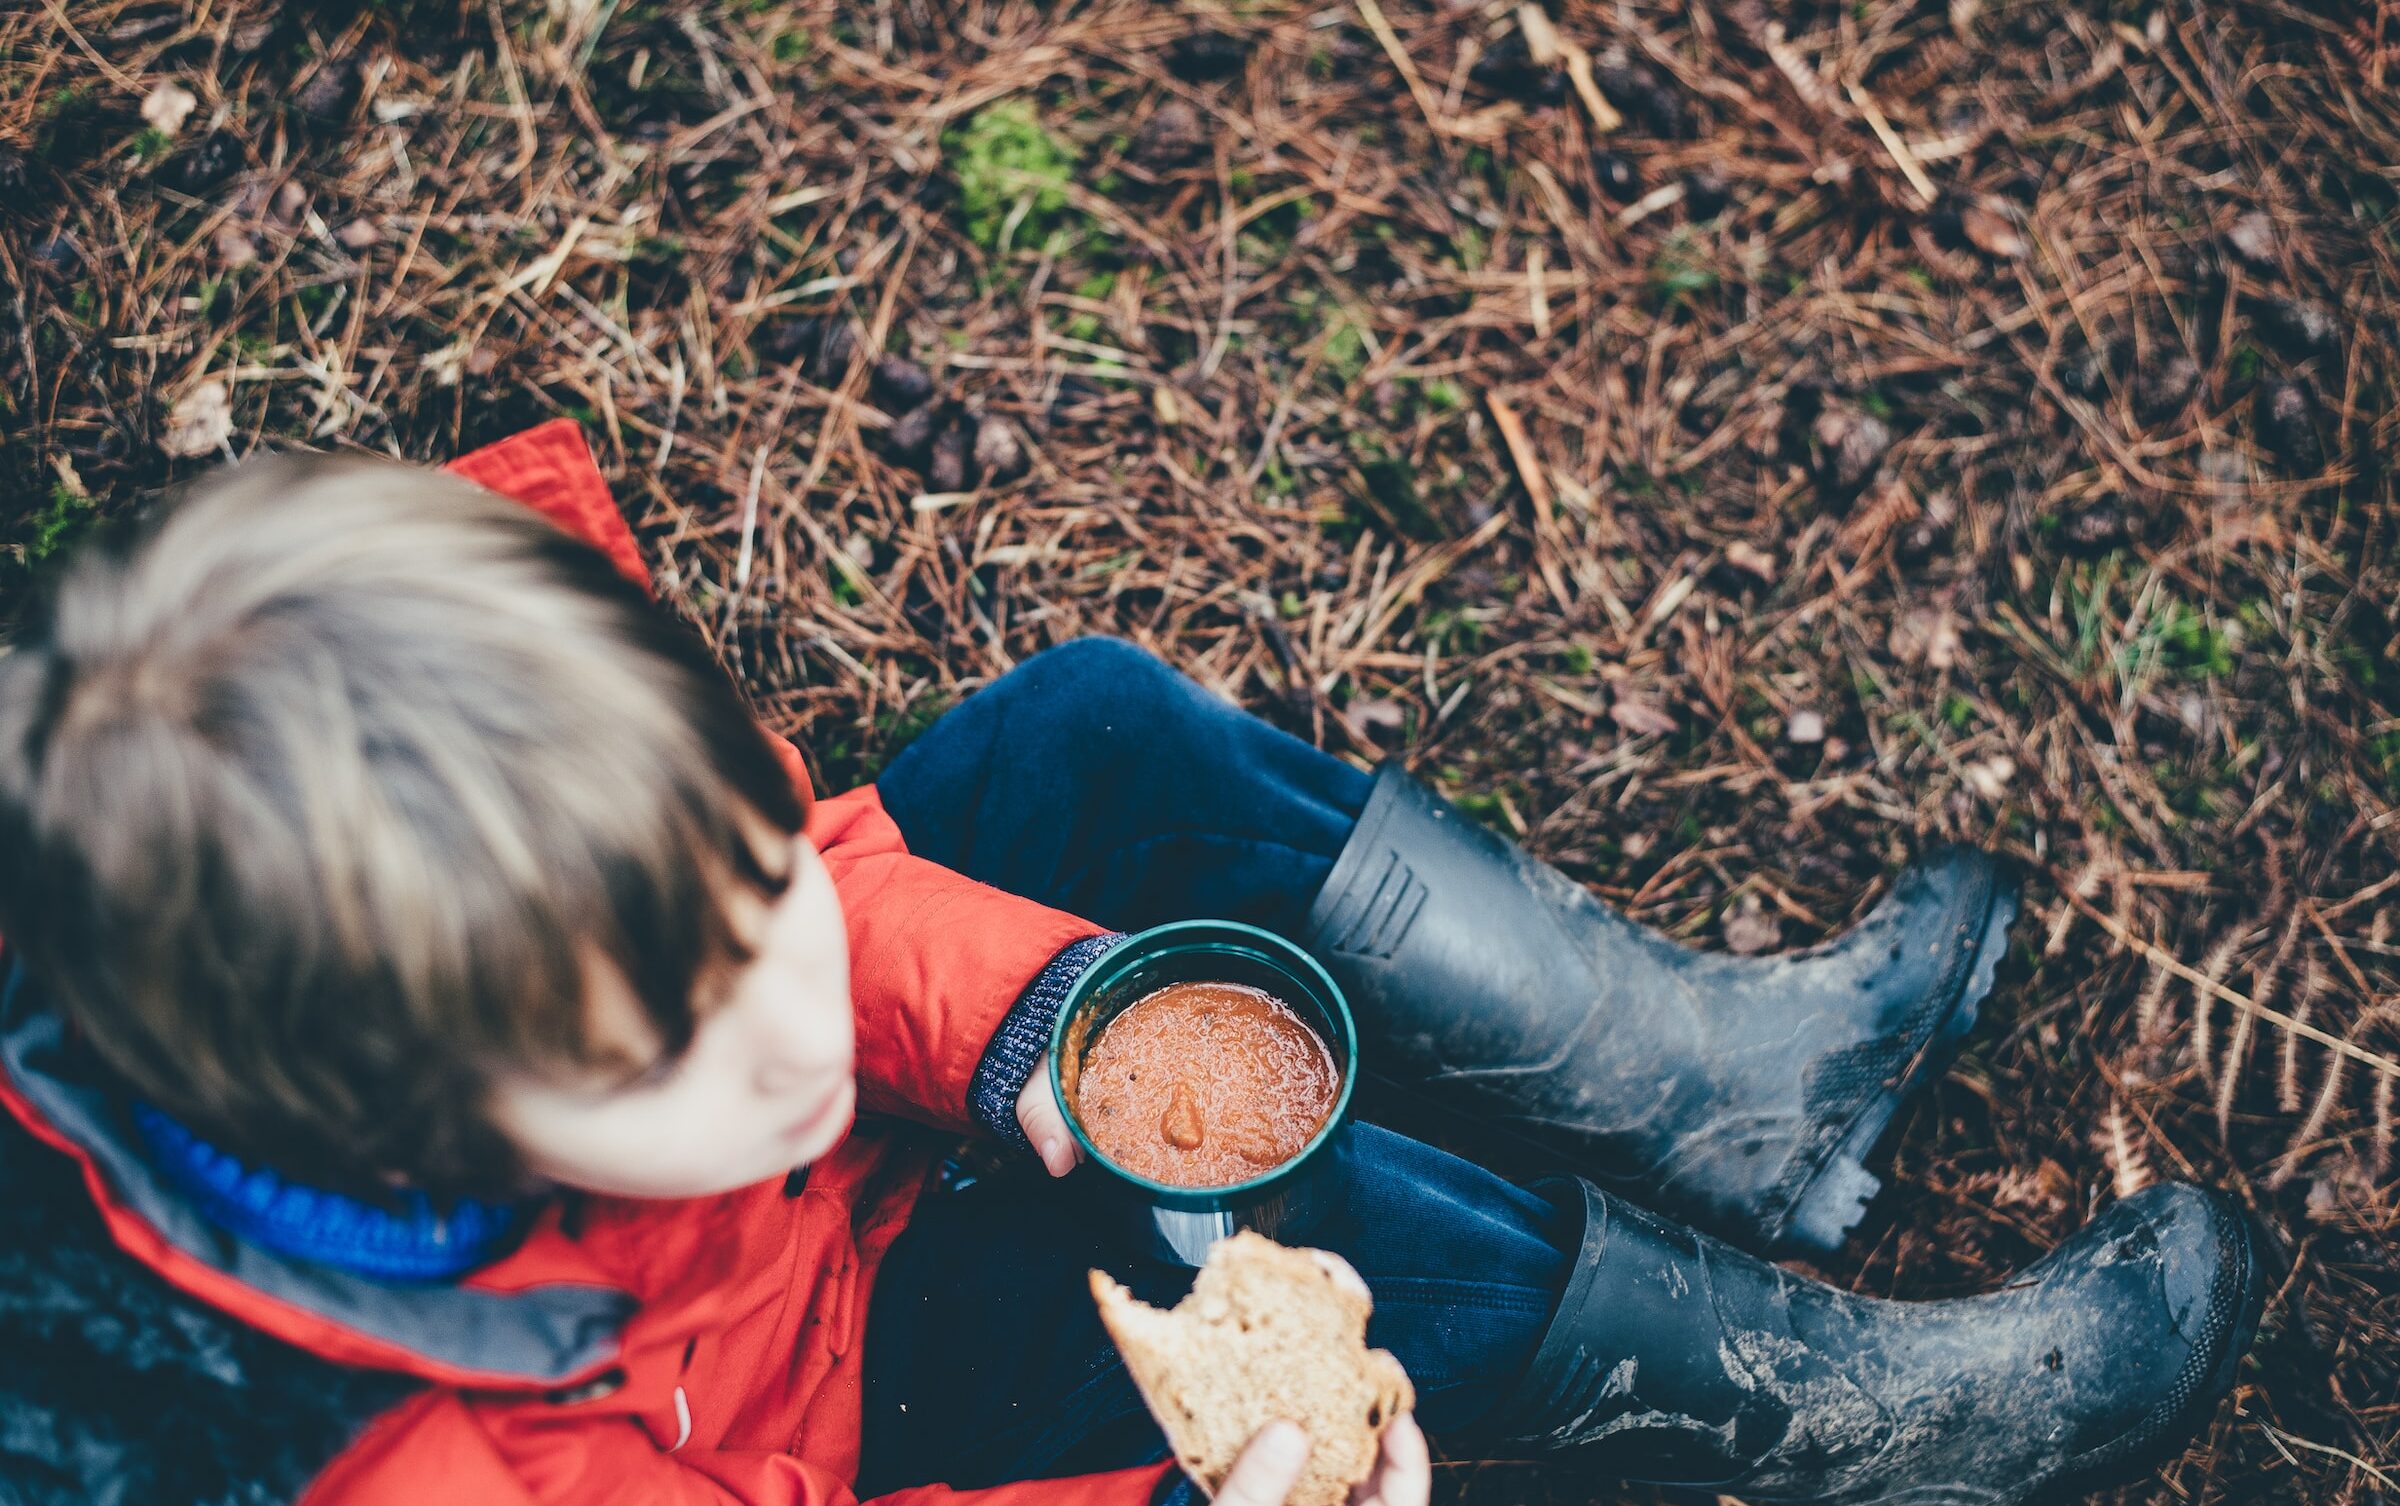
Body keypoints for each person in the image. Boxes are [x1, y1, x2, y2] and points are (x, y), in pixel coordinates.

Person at [0, 421, 2263, 1506]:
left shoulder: (469, 788)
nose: (789, 1015)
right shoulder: (407, 1466)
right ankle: (1865, 1438)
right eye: (685, 1029)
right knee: (1339, 1251)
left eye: (745, 900)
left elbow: (821, 871)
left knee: (1095, 736)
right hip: (825, 1433)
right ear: (409, 1132)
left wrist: (1011, 1035)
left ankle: (1748, 1097)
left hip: (816, 1223)